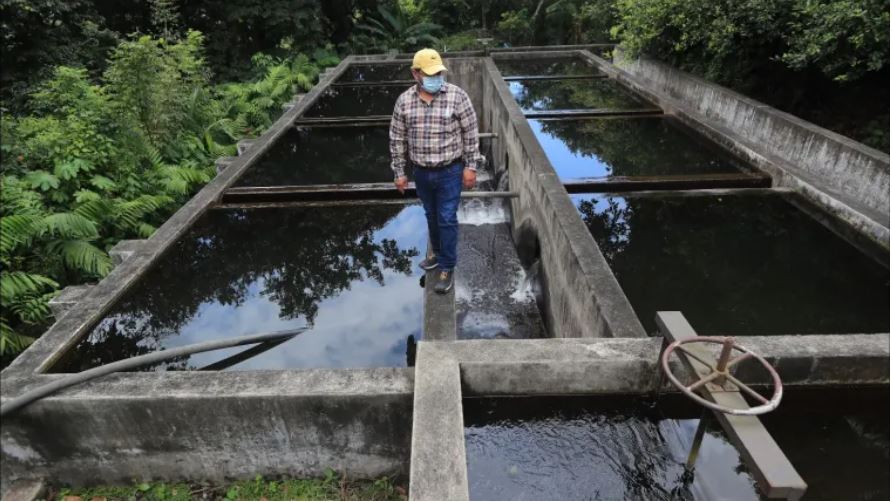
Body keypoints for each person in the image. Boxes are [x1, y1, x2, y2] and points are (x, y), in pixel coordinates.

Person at [389, 48, 482, 294]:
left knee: (447, 218)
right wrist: (400, 172)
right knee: (431, 215)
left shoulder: (456, 96)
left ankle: (447, 266)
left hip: (450, 170)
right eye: (429, 74)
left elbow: (471, 132)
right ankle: (438, 254)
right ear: (415, 74)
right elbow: (397, 140)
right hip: (421, 171)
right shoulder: (404, 102)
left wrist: (471, 167)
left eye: (438, 73)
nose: (435, 78)